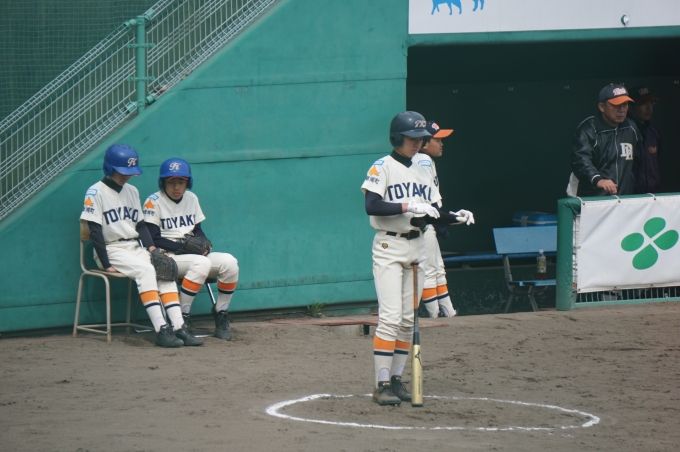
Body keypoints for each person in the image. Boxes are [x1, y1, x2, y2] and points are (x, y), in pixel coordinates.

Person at [360, 111, 474, 406]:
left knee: (407, 320)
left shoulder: (424, 168)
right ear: (397, 138)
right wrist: (406, 205)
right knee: (390, 318)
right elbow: (372, 205)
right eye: (412, 138)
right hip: (389, 246)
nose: (417, 143)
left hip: (418, 247)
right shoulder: (383, 166)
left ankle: (396, 380)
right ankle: (381, 385)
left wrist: (455, 217)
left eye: (420, 139)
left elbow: (432, 214)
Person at [80, 144, 202, 347]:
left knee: (164, 267)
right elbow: (95, 232)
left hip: (135, 247)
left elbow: (141, 225)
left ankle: (179, 327)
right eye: (121, 171)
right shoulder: (95, 192)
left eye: (129, 172)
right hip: (111, 249)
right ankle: (161, 329)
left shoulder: (132, 191)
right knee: (146, 270)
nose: (126, 176)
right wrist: (105, 263)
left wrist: (153, 250)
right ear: (109, 168)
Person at [143, 158, 239, 341]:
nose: (176, 187)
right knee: (201, 263)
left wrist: (204, 243)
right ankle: (182, 317)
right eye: (171, 182)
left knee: (230, 263)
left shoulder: (191, 198)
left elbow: (197, 230)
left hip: (192, 256)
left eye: (181, 182)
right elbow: (154, 238)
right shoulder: (153, 201)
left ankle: (221, 311)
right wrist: (182, 247)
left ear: (188, 182)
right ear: (163, 182)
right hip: (168, 257)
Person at [417, 121, 474, 318]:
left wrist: (450, 217)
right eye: (437, 140)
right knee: (430, 270)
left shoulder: (425, 160)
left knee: (438, 269)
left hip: (430, 221)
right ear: (424, 143)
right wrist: (450, 219)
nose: (441, 144)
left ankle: (448, 312)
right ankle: (435, 315)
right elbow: (429, 203)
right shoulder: (423, 161)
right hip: (423, 224)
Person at [567, 84, 642, 197]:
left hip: (622, 200)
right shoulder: (588, 130)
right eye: (616, 105)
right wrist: (598, 179)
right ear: (602, 107)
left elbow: (638, 162)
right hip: (590, 200)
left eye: (625, 104)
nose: (622, 110)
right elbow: (580, 161)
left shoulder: (632, 128)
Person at [629, 86, 662, 194]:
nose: (649, 108)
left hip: (653, 194)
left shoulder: (654, 132)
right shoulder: (624, 132)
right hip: (630, 196)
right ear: (631, 107)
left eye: (651, 103)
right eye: (643, 104)